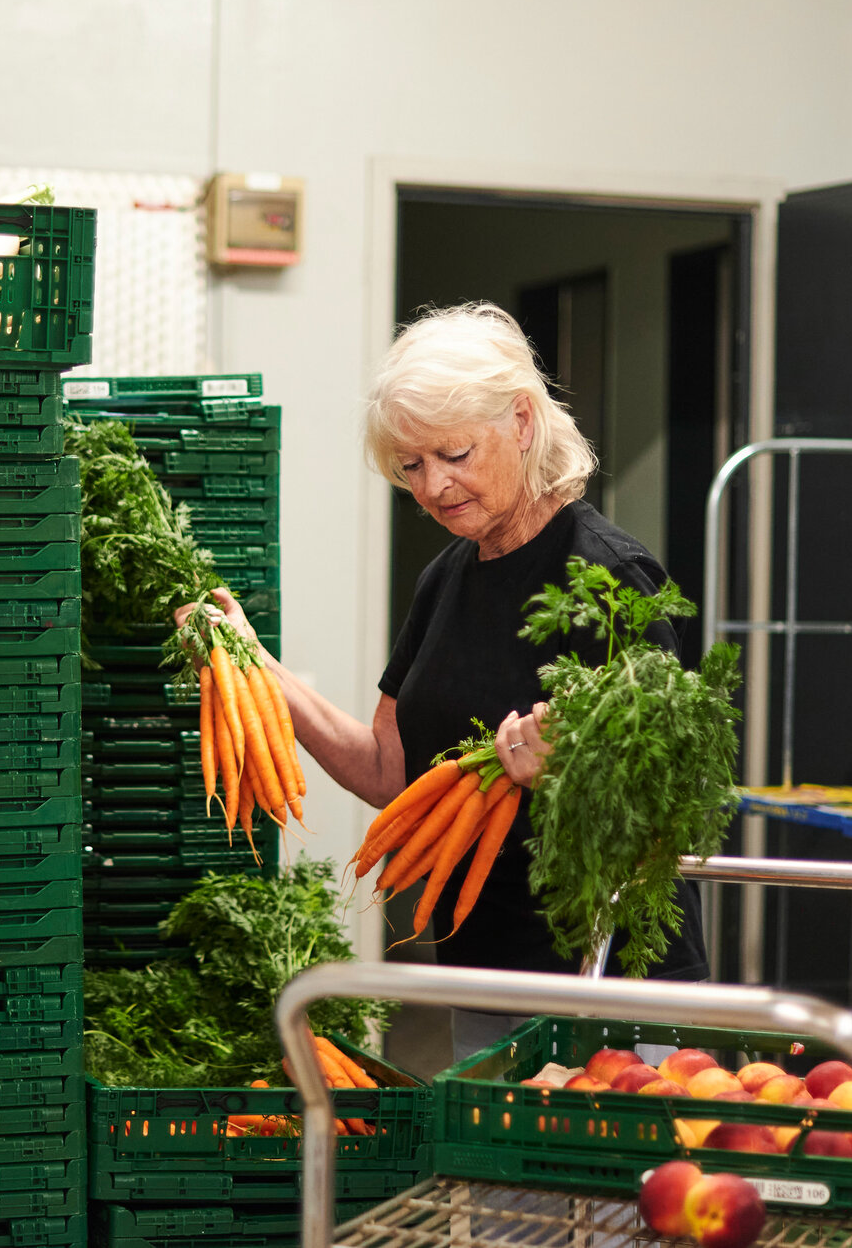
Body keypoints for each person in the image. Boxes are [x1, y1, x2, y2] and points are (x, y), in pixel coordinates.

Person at [178, 302, 707, 1060]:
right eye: (411, 467)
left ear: (522, 421)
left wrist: (576, 771)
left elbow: (671, 792)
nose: (433, 486)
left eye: (453, 454)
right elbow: (392, 769)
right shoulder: (446, 578)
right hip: (482, 976)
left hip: (612, 986)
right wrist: (255, 667)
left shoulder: (607, 575)